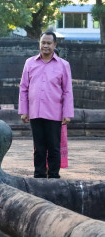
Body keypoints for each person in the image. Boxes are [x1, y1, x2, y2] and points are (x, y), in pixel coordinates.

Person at [19, 32, 74, 179]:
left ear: (55, 45)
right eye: (43, 42)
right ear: (39, 43)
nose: (45, 46)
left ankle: (54, 177)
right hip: (35, 112)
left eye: (49, 43)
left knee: (54, 147)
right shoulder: (30, 63)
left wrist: (67, 113)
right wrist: (24, 110)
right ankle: (39, 176)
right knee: (39, 148)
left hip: (54, 113)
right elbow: (24, 87)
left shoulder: (63, 65)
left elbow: (67, 90)